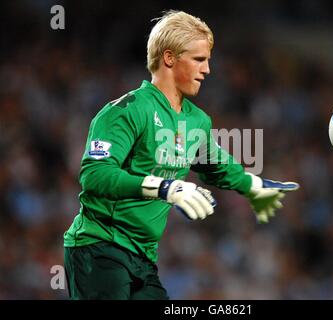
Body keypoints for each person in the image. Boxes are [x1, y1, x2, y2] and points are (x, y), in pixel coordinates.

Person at [63, 10, 299, 300]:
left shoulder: (196, 120)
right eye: (199, 59)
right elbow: (95, 175)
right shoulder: (126, 111)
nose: (208, 70)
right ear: (169, 58)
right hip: (99, 248)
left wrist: (253, 187)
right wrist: (165, 187)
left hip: (143, 258)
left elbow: (217, 165)